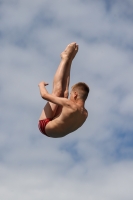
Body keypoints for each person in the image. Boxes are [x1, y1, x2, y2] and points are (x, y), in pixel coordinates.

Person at [38, 42, 89, 138]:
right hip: (57, 131)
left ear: (75, 95)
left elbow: (44, 95)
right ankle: (69, 60)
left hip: (45, 126)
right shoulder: (85, 114)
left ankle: (65, 58)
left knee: (58, 93)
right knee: (64, 93)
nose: (70, 96)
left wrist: (41, 85)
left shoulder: (70, 105)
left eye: (71, 94)